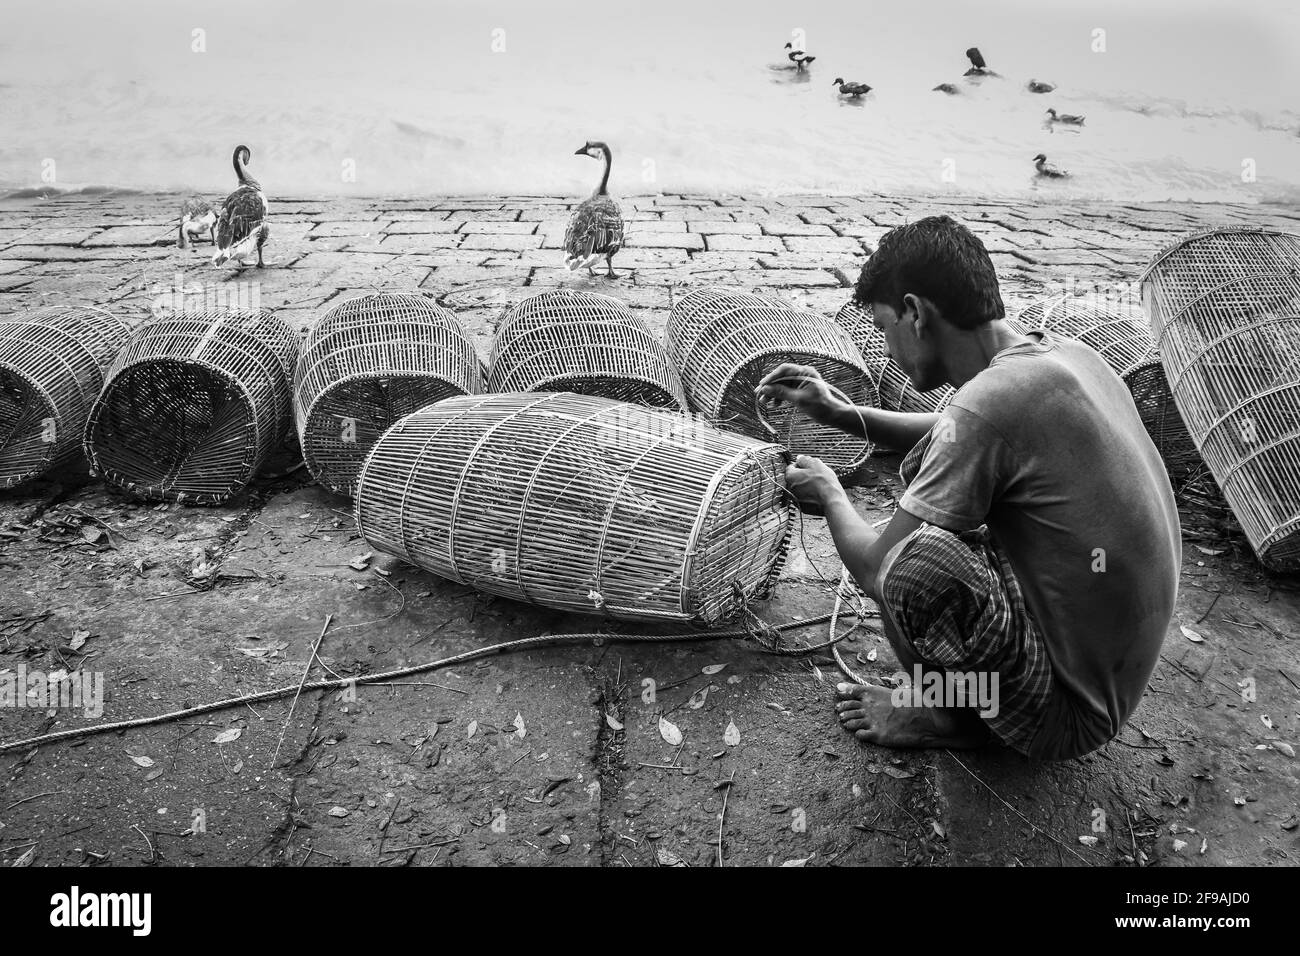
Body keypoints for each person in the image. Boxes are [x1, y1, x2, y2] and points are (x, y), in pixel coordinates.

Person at [756, 215, 1180, 761]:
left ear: (915, 312)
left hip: (1066, 717)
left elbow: (874, 571)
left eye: (886, 328)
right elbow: (957, 430)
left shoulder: (990, 404)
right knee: (949, 491)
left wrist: (831, 491)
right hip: (1112, 686)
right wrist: (838, 411)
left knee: (913, 564)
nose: (888, 351)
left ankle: (943, 715)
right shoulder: (1065, 359)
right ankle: (976, 692)